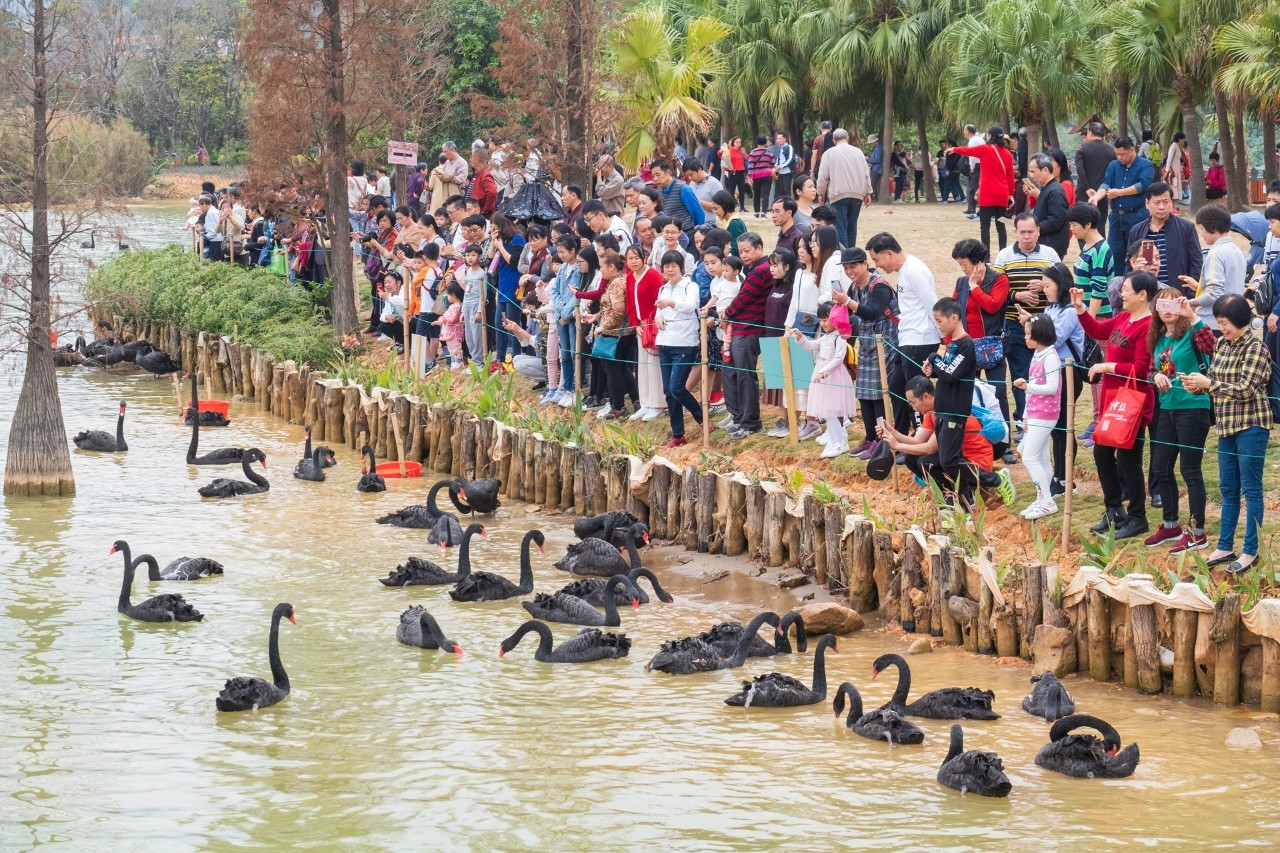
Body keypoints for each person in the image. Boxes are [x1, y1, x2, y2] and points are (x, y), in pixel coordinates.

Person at [1182, 294, 1273, 573]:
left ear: (1240, 319)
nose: (1222, 327)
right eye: (1219, 322)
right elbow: (1215, 381)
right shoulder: (1222, 344)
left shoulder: (1257, 349)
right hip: (1226, 425)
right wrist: (1196, 386)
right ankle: (1224, 545)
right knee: (1227, 488)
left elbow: (1246, 389)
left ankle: (1251, 550)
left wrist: (1208, 384)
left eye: (1225, 322)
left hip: (1251, 426)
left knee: (1251, 488)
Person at [1072, 270, 1157, 539]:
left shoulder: (1148, 326)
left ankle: (1138, 516)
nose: (1121, 294)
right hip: (1114, 401)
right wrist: (1081, 308)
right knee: (1102, 454)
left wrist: (1105, 366)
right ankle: (1114, 510)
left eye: (1126, 290)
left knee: (1129, 461)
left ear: (1142, 295)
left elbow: (1141, 369)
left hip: (1132, 403)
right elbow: (1097, 330)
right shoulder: (1123, 317)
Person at [1141, 290, 1216, 551]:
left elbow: (1212, 346)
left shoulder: (1193, 332)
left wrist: (1192, 315)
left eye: (1173, 302)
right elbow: (1151, 369)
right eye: (1162, 304)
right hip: (1167, 408)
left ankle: (1197, 532)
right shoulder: (1159, 337)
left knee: (1190, 470)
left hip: (1193, 407)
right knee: (1160, 467)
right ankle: (1171, 525)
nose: (1167, 309)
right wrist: (1155, 377)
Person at [878, 376, 1014, 505]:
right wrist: (892, 432)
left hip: (974, 464)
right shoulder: (932, 412)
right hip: (958, 460)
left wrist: (897, 445)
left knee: (928, 462)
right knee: (911, 459)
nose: (913, 407)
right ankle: (948, 495)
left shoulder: (945, 412)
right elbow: (917, 440)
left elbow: (930, 448)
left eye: (912, 402)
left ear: (926, 396)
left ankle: (965, 495)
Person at [1021, 263, 1085, 496]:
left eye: (1048, 285)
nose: (1044, 290)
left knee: (1064, 427)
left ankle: (1065, 479)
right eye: (1044, 285)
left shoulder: (1070, 311)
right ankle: (1058, 477)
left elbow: (1052, 339)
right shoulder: (1051, 308)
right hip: (1053, 372)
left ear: (1061, 285)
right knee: (1056, 428)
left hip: (1068, 373)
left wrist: (1032, 323)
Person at [832, 247, 900, 457]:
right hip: (868, 344)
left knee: (878, 394)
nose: (849, 271)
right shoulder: (855, 287)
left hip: (885, 345)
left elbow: (871, 312)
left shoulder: (880, 286)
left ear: (864, 264)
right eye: (846, 268)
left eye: (853, 266)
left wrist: (847, 301)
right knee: (863, 393)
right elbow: (852, 312)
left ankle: (882, 440)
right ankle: (870, 437)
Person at [994, 214, 1061, 423]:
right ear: (1015, 233)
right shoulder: (1004, 256)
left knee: (1045, 373)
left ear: (1038, 232)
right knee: (1020, 373)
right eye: (1022, 232)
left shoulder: (1050, 255)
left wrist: (1045, 285)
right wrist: (1017, 296)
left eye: (1030, 232)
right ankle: (1023, 419)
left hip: (1044, 325)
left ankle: (1042, 416)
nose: (1026, 236)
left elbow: (1063, 285)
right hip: (1015, 324)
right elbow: (995, 290)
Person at [951, 239, 1012, 447]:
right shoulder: (961, 282)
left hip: (992, 345)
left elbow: (993, 305)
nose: (962, 268)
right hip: (967, 346)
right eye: (960, 264)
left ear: (978, 262)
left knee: (998, 391)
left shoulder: (999, 279)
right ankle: (974, 439)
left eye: (964, 264)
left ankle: (1003, 442)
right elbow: (955, 313)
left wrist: (974, 287)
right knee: (969, 393)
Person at [922, 297, 977, 509]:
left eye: (939, 321)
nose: (938, 325)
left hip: (955, 411)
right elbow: (947, 372)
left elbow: (952, 374)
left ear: (953, 318)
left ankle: (993, 480)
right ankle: (966, 502)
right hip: (943, 411)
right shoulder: (952, 343)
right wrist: (934, 370)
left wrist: (934, 358)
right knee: (951, 460)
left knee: (949, 461)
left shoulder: (966, 344)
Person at [721, 233, 772, 438]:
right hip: (742, 328)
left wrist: (726, 314)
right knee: (732, 372)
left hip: (749, 329)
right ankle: (740, 418)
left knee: (745, 376)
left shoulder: (760, 270)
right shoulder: (755, 268)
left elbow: (743, 298)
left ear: (759, 248)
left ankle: (751, 423)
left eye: (747, 251)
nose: (743, 255)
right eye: (740, 251)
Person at [789, 303, 856, 457]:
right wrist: (800, 336)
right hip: (822, 375)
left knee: (831, 410)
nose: (823, 323)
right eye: (821, 320)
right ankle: (834, 440)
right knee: (826, 411)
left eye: (826, 320)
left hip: (833, 376)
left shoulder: (839, 337)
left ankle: (840, 442)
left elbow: (839, 358)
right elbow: (811, 345)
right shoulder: (825, 337)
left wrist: (823, 372)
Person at [1012, 315, 1061, 519]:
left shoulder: (1050, 357)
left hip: (1046, 414)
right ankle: (1042, 498)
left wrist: (1028, 386)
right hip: (1035, 413)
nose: (1025, 337)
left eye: (1028, 334)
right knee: (1040, 457)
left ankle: (1047, 501)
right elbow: (1031, 390)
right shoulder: (1038, 354)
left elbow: (1052, 387)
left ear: (1039, 335)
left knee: (1029, 456)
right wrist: (1026, 415)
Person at [654, 251, 704, 447]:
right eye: (667, 266)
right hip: (664, 341)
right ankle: (677, 434)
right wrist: (658, 318)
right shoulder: (663, 288)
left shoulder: (691, 286)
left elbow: (690, 306)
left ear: (681, 267)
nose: (670, 269)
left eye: (673, 265)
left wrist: (670, 303)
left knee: (677, 387)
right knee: (668, 390)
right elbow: (658, 311)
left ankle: (702, 418)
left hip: (684, 342)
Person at [1088, 137, 1154, 277]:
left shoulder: (1146, 165)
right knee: (1115, 254)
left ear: (1132, 150)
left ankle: (1142, 281)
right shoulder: (1113, 165)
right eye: (1117, 154)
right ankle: (1117, 284)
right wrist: (1096, 197)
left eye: (1122, 154)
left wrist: (1119, 193)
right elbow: (1106, 184)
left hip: (1137, 216)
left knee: (1140, 253)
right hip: (1116, 217)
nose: (1119, 157)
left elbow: (1142, 185)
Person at [586, 250, 639, 420]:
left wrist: (602, 327)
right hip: (625, 332)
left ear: (611, 267)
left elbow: (618, 311)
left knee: (612, 370)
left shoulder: (616, 284)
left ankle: (618, 406)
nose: (600, 270)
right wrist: (596, 317)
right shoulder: (623, 279)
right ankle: (636, 400)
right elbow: (611, 309)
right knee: (622, 367)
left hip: (615, 333)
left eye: (601, 267)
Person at [947, 127, 1018, 250]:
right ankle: (1002, 253)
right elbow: (1010, 178)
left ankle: (986, 256)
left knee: (985, 226)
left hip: (987, 193)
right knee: (1001, 226)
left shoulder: (985, 149)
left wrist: (954, 149)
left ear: (989, 136)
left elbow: (969, 150)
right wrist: (1010, 194)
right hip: (1002, 193)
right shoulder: (1007, 154)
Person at [1127, 181, 1201, 291]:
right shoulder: (1136, 231)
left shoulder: (1186, 228)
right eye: (1157, 203)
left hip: (1177, 293)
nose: (1161, 207)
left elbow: (1196, 263)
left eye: (1165, 202)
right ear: (1147, 203)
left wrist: (1190, 293)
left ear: (1172, 203)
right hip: (1146, 293)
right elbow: (1128, 264)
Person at [1182, 204, 1246, 328]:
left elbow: (1215, 294)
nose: (1202, 234)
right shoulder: (1236, 250)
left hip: (1213, 320)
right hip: (1233, 319)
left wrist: (1190, 303)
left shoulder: (1216, 253)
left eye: (1202, 228)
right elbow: (1227, 287)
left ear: (1213, 227)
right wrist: (1199, 287)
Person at [624, 244, 666, 422]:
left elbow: (659, 300)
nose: (633, 261)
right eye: (630, 258)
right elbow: (629, 303)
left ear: (644, 258)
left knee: (654, 365)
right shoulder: (629, 277)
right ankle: (646, 403)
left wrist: (651, 321)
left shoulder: (653, 275)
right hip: (641, 326)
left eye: (636, 257)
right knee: (642, 366)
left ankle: (658, 404)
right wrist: (635, 324)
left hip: (653, 325)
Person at [815, 128, 873, 250]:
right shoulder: (858, 152)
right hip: (857, 194)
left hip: (838, 194)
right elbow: (866, 174)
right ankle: (852, 253)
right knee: (852, 226)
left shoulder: (829, 153)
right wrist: (868, 192)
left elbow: (823, 177)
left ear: (834, 140)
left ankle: (845, 254)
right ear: (847, 138)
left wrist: (821, 193)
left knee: (840, 227)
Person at [548, 236, 583, 404]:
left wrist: (566, 313)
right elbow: (555, 291)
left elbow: (579, 294)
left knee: (575, 353)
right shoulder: (562, 268)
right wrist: (561, 309)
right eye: (559, 252)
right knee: (565, 354)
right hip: (560, 315)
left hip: (572, 317)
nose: (560, 255)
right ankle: (567, 388)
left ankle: (577, 387)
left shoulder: (579, 269)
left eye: (563, 252)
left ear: (573, 250)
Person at [1075, 122, 1116, 235]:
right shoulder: (1112, 150)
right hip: (1102, 195)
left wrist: (1087, 188)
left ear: (1090, 132)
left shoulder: (1082, 148)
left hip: (1084, 195)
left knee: (1083, 228)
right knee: (1100, 227)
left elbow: (1080, 170)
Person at [1028, 152, 1071, 257]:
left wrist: (1033, 228)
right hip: (1047, 243)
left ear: (1045, 170)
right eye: (1030, 172)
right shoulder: (1048, 188)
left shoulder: (1055, 191)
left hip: (1052, 245)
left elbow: (1056, 220)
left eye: (1033, 172)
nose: (1031, 176)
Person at [650, 159, 705, 237]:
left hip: (688, 234)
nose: (655, 179)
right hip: (670, 236)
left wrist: (699, 233)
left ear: (668, 172)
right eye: (653, 176)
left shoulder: (683, 189)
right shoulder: (658, 192)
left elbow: (698, 213)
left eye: (658, 175)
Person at [682, 157, 724, 224]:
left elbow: (720, 206)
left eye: (691, 174)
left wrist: (696, 201)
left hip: (709, 223)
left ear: (700, 169)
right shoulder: (692, 184)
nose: (690, 178)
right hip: (693, 223)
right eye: (687, 176)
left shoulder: (714, 183)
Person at [434, 283, 466, 368]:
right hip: (449, 331)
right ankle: (453, 361)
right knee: (451, 347)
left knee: (455, 347)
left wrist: (443, 319)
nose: (447, 297)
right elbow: (446, 316)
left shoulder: (458, 307)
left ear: (453, 295)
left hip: (454, 332)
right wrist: (441, 319)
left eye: (448, 295)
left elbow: (452, 319)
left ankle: (458, 361)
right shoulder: (452, 306)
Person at [745, 136, 776, 218]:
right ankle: (764, 212)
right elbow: (772, 165)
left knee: (756, 194)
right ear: (765, 142)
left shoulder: (753, 152)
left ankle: (756, 212)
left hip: (756, 176)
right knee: (766, 194)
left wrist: (749, 176)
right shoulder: (769, 153)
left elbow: (751, 165)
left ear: (757, 142)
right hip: (767, 175)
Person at [720, 137, 748, 212]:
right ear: (733, 142)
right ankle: (731, 207)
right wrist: (722, 150)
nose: (738, 143)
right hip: (732, 172)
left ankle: (742, 207)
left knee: (742, 191)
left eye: (739, 142)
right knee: (731, 190)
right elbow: (720, 155)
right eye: (737, 142)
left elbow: (748, 158)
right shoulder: (729, 151)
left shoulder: (741, 151)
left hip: (741, 172)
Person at [773, 132, 797, 203]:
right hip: (779, 172)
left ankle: (789, 204)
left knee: (787, 190)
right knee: (780, 190)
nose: (778, 140)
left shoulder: (789, 147)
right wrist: (776, 166)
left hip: (787, 172)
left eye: (780, 138)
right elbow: (779, 159)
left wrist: (781, 167)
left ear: (785, 139)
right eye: (777, 138)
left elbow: (790, 159)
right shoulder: (780, 148)